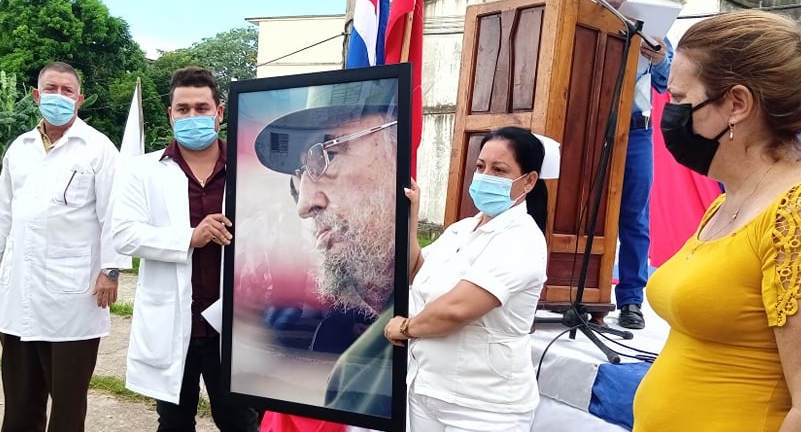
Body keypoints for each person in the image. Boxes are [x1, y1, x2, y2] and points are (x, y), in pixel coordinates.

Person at [633, 10, 801, 431]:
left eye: (679, 99)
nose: (670, 112)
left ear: (736, 104)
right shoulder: (726, 203)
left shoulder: (800, 214)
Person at [0, 61, 131, 431]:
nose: (58, 97)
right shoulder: (20, 147)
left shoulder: (98, 149)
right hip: (19, 290)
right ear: (36, 95)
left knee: (67, 401)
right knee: (19, 400)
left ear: (79, 99)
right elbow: (3, 208)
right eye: (51, 89)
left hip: (73, 297)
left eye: (67, 91)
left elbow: (115, 214)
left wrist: (111, 270)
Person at [111, 66, 259, 431]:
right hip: (176, 322)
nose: (192, 116)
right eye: (183, 109)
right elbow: (124, 235)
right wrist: (189, 237)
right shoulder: (143, 171)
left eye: (201, 108)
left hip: (234, 324)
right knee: (174, 422)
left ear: (219, 113)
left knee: (240, 421)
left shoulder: (249, 167)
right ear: (171, 114)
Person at [385, 126, 558, 432]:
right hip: (427, 389)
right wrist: (412, 216)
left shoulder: (522, 239)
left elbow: (458, 309)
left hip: (483, 407)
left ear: (529, 181)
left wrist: (406, 327)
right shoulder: (463, 228)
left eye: (499, 170)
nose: (485, 176)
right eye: (480, 167)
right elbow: (416, 273)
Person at [252, 80, 400, 428]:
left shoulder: (440, 313)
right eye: (300, 175)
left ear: (398, 146)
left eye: (326, 155)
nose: (305, 204)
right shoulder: (355, 362)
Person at [601, 0, 674, 330]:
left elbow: (669, 81)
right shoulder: (584, 11)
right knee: (587, 212)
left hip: (636, 131)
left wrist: (659, 58)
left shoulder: (651, 17)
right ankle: (582, 291)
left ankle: (631, 299)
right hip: (590, 128)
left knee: (634, 215)